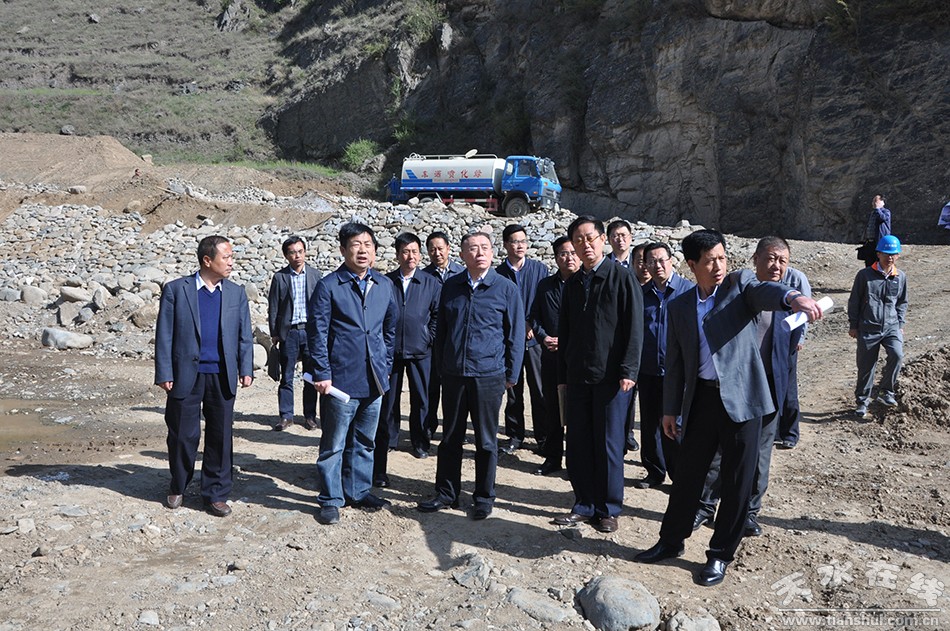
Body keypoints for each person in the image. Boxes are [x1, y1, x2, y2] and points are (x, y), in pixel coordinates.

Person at [634, 229, 821, 587]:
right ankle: (670, 541)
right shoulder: (680, 306)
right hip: (702, 399)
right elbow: (676, 362)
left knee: (737, 481)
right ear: (692, 265)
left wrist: (794, 297)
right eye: (710, 261)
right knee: (687, 476)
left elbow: (767, 292)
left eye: (722, 258)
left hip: (744, 399)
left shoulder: (739, 285)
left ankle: (720, 555)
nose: (719, 266)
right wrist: (670, 410)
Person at [693, 237, 812, 538]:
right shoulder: (736, 291)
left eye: (783, 261)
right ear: (755, 259)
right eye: (770, 258)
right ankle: (705, 506)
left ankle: (748, 512)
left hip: (769, 387)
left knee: (760, 455)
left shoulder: (788, 303)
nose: (776, 266)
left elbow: (788, 354)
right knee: (719, 451)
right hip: (734, 387)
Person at [417, 232, 525, 520]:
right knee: (450, 437)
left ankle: (484, 497)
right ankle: (446, 493)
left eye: (485, 248)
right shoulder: (451, 286)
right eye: (473, 249)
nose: (480, 253)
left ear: (492, 253)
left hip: (488, 375)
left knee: (486, 441)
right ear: (462, 255)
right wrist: (442, 367)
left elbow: (515, 335)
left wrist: (512, 373)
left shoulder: (505, 288)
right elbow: (442, 331)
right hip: (454, 374)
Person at [553, 216, 643, 534]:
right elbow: (565, 332)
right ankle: (584, 504)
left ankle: (608, 508)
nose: (585, 245)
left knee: (608, 444)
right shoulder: (573, 284)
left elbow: (634, 328)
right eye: (578, 240)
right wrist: (563, 374)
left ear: (602, 239)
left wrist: (629, 370)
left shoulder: (622, 278)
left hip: (611, 378)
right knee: (578, 443)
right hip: (578, 376)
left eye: (590, 238)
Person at [154, 235, 254, 517]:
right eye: (226, 257)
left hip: (222, 374)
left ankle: (216, 493)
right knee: (182, 435)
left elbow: (244, 335)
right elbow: (164, 334)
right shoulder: (177, 290)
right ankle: (179, 484)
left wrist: (246, 368)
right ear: (207, 260)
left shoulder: (235, 293)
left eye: (232, 257)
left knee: (220, 437)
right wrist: (164, 371)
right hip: (185, 374)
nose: (231, 262)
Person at [308, 222, 398, 526]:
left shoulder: (383, 285)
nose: (363, 250)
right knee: (334, 445)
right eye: (356, 245)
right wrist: (322, 372)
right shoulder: (329, 286)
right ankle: (330, 499)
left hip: (374, 379)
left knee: (365, 441)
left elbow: (390, 329)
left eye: (368, 244)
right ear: (343, 250)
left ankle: (358, 491)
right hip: (340, 380)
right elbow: (317, 333)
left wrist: (385, 365)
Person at [373, 232, 441, 488]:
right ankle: (390, 439)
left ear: (420, 255)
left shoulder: (430, 282)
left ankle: (420, 442)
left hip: (421, 350)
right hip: (392, 351)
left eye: (414, 251)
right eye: (405, 251)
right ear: (398, 254)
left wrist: (428, 338)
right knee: (389, 399)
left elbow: (437, 315)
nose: (410, 256)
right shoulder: (387, 282)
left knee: (421, 399)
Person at [634, 242, 693, 489]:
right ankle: (654, 471)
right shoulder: (641, 294)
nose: (657, 265)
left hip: (678, 372)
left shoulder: (688, 291)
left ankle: (680, 476)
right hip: (648, 369)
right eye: (651, 261)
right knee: (650, 424)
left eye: (661, 260)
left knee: (676, 425)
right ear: (645, 265)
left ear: (671, 261)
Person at [495, 224, 548, 455]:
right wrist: (516, 327)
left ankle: (543, 436)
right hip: (509, 341)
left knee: (539, 390)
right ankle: (515, 435)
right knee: (513, 389)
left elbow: (543, 303)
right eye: (515, 241)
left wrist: (530, 324)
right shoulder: (498, 274)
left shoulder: (539, 269)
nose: (520, 246)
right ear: (506, 244)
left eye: (523, 241)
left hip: (534, 340)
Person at [530, 236, 578, 475]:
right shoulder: (545, 286)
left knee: (578, 411)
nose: (569, 258)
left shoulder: (587, 284)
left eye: (573, 252)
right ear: (556, 257)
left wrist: (567, 341)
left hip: (578, 359)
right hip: (550, 358)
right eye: (563, 253)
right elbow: (535, 317)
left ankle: (576, 462)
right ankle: (552, 458)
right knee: (552, 409)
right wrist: (543, 337)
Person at [848, 234, 908, 417]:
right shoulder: (864, 275)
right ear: (878, 254)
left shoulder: (900, 277)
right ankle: (862, 402)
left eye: (893, 254)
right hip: (868, 327)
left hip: (891, 327)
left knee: (897, 354)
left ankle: (886, 392)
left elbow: (902, 302)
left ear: (898, 255)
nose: (890, 257)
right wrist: (853, 325)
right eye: (886, 253)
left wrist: (900, 323)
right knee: (866, 367)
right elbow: (854, 301)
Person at [268, 236, 322, 431]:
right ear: (286, 255)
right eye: (292, 252)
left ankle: (310, 416)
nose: (297, 256)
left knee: (310, 377)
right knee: (287, 377)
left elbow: (322, 304)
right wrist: (275, 333)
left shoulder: (315, 275)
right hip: (289, 332)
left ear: (305, 252)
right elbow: (273, 306)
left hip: (310, 332)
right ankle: (286, 416)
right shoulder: (280, 277)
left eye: (300, 251)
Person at [421, 231, 465, 439]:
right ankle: (428, 427)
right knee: (430, 388)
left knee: (455, 390)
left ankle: (455, 431)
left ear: (448, 248)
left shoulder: (461, 273)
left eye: (440, 248)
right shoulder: (423, 276)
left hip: (455, 340)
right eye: (432, 249)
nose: (437, 253)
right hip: (432, 341)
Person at [860, 195, 891, 267]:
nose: (874, 203)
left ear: (882, 202)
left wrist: (878, 209)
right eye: (873, 201)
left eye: (876, 201)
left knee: (879, 262)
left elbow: (883, 218)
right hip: (870, 242)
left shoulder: (886, 212)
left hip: (880, 242)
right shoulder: (873, 213)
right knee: (869, 262)